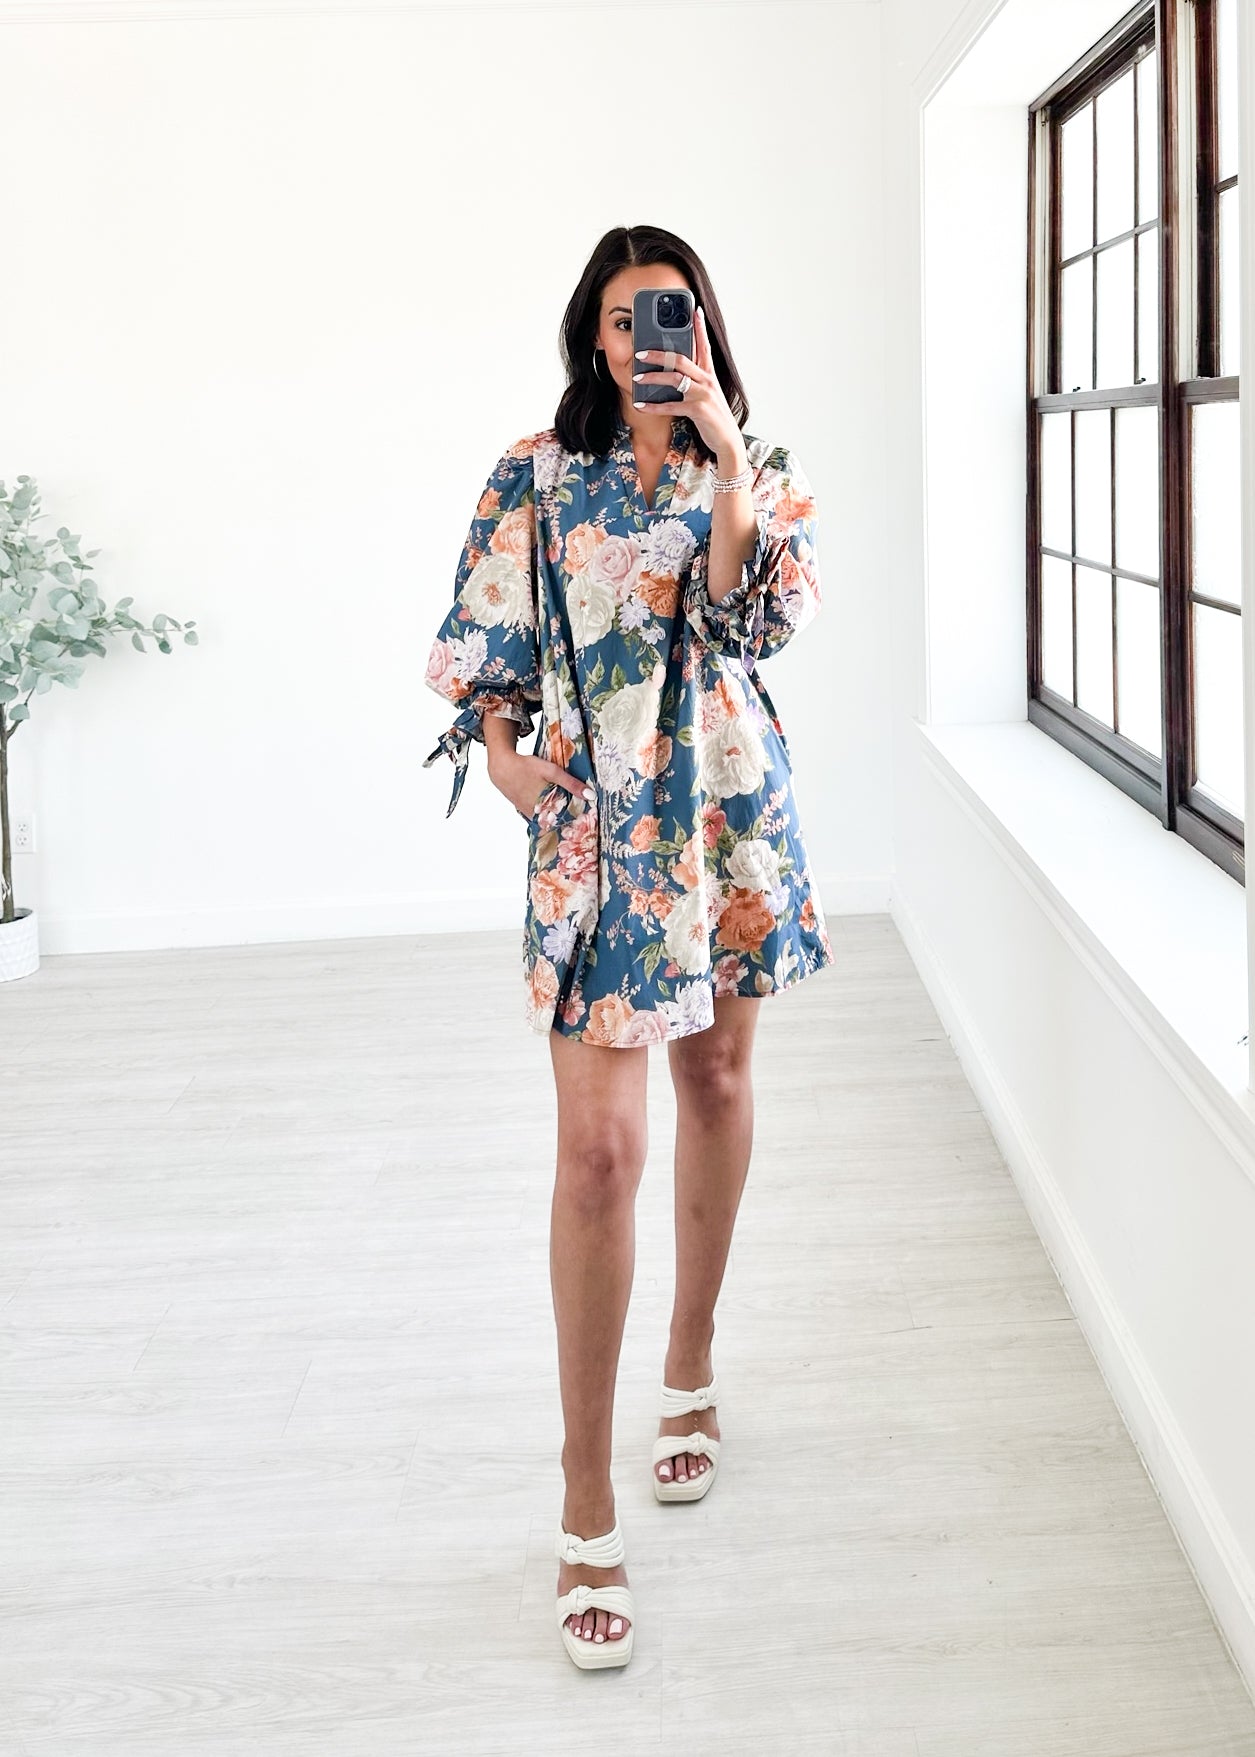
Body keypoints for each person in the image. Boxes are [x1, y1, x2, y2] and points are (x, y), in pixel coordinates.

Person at [422, 225, 836, 1669]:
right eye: (620, 317)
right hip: (596, 830)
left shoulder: (757, 463)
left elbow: (753, 622)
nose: (643, 336)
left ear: (703, 325)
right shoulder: (535, 472)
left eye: (669, 312)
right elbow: (486, 639)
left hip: (723, 815)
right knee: (597, 1156)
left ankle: (693, 1360)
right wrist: (502, 756)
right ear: (590, 340)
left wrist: (724, 457)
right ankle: (584, 1496)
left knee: (714, 1084)